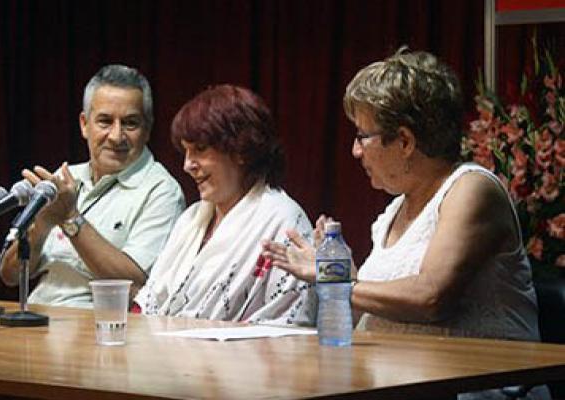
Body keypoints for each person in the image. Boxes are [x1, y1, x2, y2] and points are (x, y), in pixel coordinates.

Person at [262, 49, 548, 398]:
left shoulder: (472, 188)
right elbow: (372, 317)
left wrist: (338, 281)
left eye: (362, 136)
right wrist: (339, 273)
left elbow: (430, 297)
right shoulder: (391, 213)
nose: (355, 151)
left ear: (405, 140)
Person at [0, 64, 185, 307]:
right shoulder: (65, 178)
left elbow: (134, 282)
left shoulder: (162, 191)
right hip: (38, 318)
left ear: (148, 129)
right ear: (84, 125)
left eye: (130, 123)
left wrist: (71, 219)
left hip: (101, 329)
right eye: (105, 122)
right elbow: (9, 276)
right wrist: (42, 224)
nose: (117, 136)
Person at [133, 84, 316, 325]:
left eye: (200, 150)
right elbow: (148, 301)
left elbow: (289, 322)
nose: (187, 165)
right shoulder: (191, 219)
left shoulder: (283, 221)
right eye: (185, 152)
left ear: (241, 150)